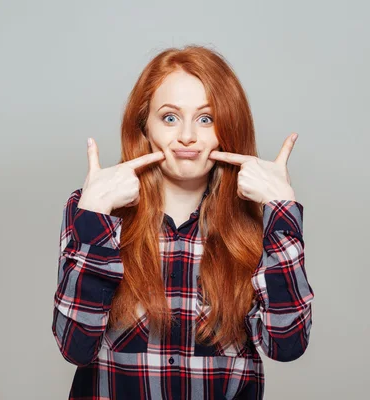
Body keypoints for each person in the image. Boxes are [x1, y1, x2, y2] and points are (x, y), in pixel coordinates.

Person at [51, 45, 315, 400]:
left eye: (206, 119)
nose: (188, 136)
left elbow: (288, 344)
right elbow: (74, 345)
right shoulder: (95, 212)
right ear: (145, 126)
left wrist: (280, 209)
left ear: (228, 127)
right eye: (170, 117)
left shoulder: (258, 223)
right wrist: (96, 213)